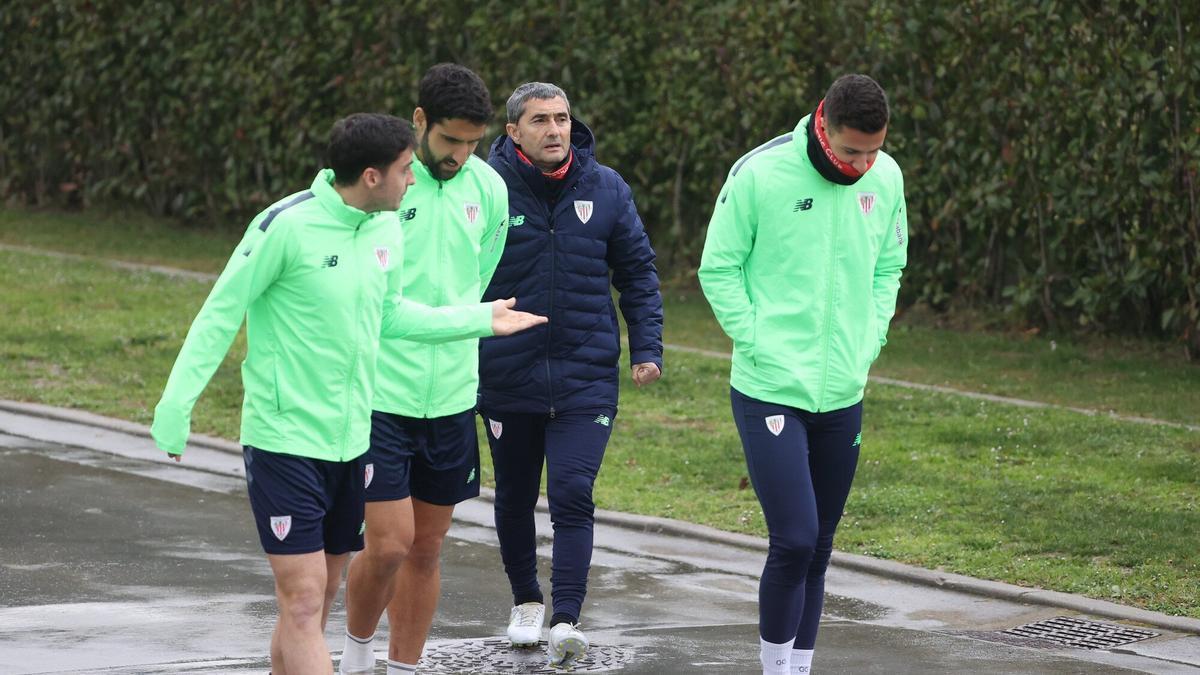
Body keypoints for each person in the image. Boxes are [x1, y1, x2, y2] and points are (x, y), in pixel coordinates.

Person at [150, 112, 544, 675]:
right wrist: (175, 406)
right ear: (371, 176)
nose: (415, 183)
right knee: (306, 599)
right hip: (285, 438)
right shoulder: (285, 226)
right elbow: (220, 313)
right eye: (406, 171)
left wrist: (479, 319)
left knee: (313, 602)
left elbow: (392, 315)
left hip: (352, 440)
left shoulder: (383, 229)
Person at [698, 74, 907, 675]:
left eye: (874, 150)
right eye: (851, 152)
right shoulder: (761, 173)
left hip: (844, 390)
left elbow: (890, 263)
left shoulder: (886, 176)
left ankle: (800, 667)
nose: (864, 164)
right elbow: (718, 269)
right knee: (792, 539)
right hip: (769, 387)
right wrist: (758, 340)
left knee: (818, 547)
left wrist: (873, 334)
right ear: (824, 125)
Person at [477, 82, 663, 667]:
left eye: (561, 118)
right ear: (513, 132)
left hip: (586, 376)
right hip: (507, 373)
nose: (555, 130)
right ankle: (527, 601)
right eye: (540, 121)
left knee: (572, 492)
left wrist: (646, 346)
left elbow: (637, 271)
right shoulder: (484, 191)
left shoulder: (606, 188)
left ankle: (566, 617)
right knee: (512, 494)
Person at [339, 65, 510, 675]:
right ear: (419, 122)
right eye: (447, 143)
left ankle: (405, 667)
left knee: (427, 547)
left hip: (454, 397)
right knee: (388, 544)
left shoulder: (490, 189)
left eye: (471, 144)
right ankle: (356, 657)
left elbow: (479, 282)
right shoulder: (384, 186)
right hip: (381, 392)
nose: (459, 157)